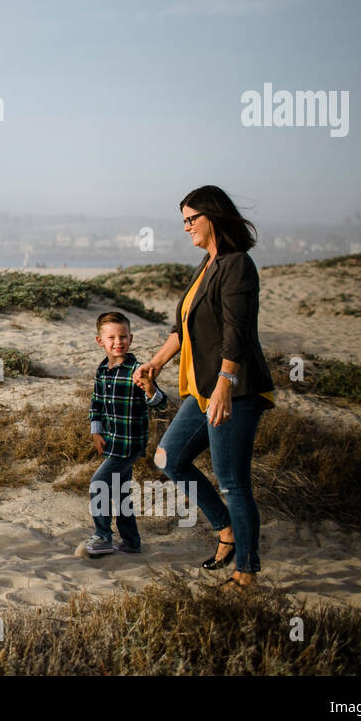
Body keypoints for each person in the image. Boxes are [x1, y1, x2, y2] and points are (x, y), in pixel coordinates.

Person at [135, 186, 275, 590]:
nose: (186, 227)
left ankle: (246, 573)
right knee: (168, 458)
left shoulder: (237, 265)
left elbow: (238, 333)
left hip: (233, 391)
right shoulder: (207, 263)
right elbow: (184, 328)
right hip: (201, 391)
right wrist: (156, 363)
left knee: (233, 482)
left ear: (213, 216)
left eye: (191, 219)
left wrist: (226, 385)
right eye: (183, 220)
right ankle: (226, 530)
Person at [84, 311, 167, 557]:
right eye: (111, 337)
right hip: (111, 442)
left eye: (123, 337)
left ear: (131, 338)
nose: (118, 342)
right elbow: (96, 403)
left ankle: (102, 536)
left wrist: (151, 389)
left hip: (129, 445)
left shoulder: (138, 371)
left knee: (98, 483)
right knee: (121, 492)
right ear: (100, 341)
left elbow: (160, 404)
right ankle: (131, 541)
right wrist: (96, 432)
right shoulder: (102, 370)